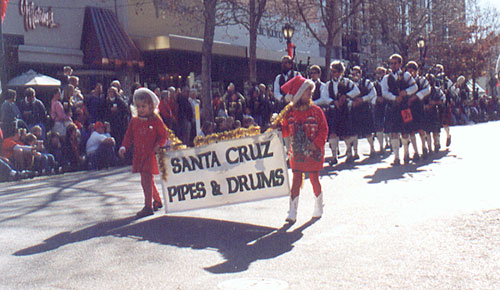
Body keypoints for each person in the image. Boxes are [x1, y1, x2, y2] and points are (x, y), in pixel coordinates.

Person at [272, 75, 328, 223]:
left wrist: (315, 144)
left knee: (314, 179)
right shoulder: (289, 112)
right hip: (296, 153)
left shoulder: (316, 111)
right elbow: (285, 131)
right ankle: (292, 210)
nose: (310, 93)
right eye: (306, 91)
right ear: (298, 94)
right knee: (296, 180)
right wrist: (276, 124)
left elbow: (324, 130)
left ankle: (318, 204)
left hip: (313, 152)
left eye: (310, 91)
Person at [119, 88, 168, 218]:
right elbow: (128, 136)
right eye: (138, 106)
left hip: (149, 153)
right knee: (147, 179)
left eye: (144, 106)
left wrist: (158, 145)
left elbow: (163, 135)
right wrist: (124, 146)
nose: (141, 109)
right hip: (139, 154)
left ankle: (148, 206)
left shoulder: (155, 119)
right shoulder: (134, 121)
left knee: (146, 179)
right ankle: (157, 200)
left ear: (151, 106)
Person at [315, 61, 360, 164]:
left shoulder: (347, 82)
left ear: (340, 72)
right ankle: (334, 157)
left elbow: (356, 91)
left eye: (335, 71)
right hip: (333, 111)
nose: (333, 73)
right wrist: (333, 101)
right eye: (332, 71)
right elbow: (324, 97)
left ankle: (349, 154)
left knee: (346, 134)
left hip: (344, 111)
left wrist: (346, 96)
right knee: (332, 133)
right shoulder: (328, 85)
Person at [381, 54, 418, 166]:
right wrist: (394, 97)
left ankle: (406, 154)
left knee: (406, 131)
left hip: (405, 107)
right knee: (394, 132)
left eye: (395, 63)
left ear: (400, 64)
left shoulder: (406, 75)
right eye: (391, 63)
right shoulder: (386, 78)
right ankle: (396, 157)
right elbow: (384, 92)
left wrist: (406, 92)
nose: (393, 65)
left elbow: (414, 87)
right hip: (393, 108)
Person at [405, 61, 431, 160]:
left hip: (418, 106)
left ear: (417, 71)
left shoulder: (421, 80)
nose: (411, 73)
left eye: (413, 70)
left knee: (420, 128)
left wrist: (417, 96)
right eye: (409, 70)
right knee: (411, 130)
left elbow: (428, 89)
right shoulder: (405, 81)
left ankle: (424, 147)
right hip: (408, 107)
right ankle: (415, 152)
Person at [350, 66, 377, 158]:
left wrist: (362, 99)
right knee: (354, 131)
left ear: (361, 74)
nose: (355, 75)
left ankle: (372, 149)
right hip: (353, 109)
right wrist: (352, 103)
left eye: (357, 73)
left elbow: (373, 93)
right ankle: (355, 152)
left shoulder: (367, 82)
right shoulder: (348, 84)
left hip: (365, 108)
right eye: (353, 73)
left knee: (368, 131)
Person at [372, 67, 387, 153]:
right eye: (377, 73)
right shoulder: (374, 84)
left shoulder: (387, 82)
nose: (378, 75)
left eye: (380, 73)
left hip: (387, 104)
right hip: (378, 106)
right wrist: (377, 99)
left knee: (388, 124)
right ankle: (381, 146)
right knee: (379, 126)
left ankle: (390, 142)